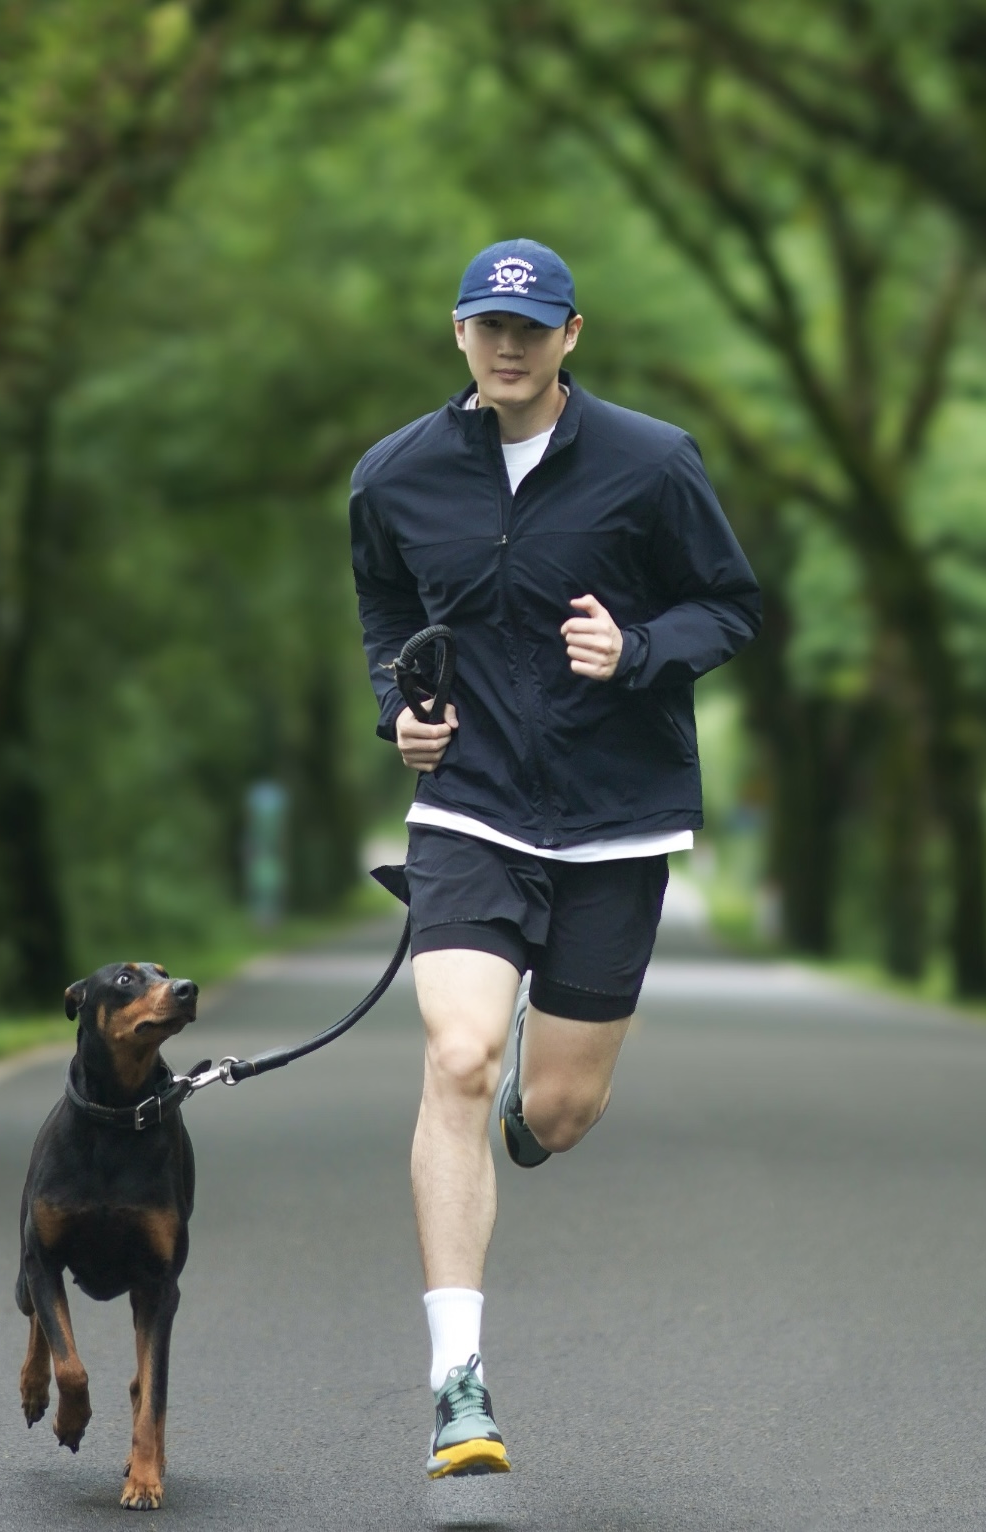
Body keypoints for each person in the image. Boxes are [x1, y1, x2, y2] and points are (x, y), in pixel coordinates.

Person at [349, 239, 761, 1478]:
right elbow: (385, 617)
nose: (510, 345)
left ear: (572, 334)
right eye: (488, 325)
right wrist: (400, 709)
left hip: (615, 814)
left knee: (560, 1110)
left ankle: (534, 1103)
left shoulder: (653, 461)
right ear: (459, 334)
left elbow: (730, 605)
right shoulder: (395, 475)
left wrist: (636, 649)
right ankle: (457, 1383)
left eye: (533, 327)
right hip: (468, 807)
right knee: (458, 1054)